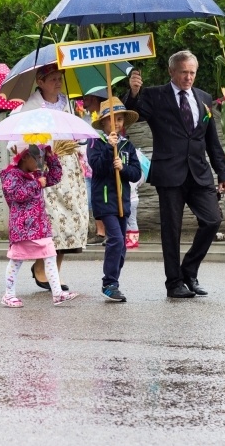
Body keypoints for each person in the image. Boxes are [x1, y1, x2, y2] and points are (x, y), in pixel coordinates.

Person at [125, 50, 225, 298]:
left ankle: (188, 272)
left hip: (199, 173)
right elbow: (132, 112)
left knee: (213, 220)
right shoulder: (155, 95)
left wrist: (222, 173)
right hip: (169, 173)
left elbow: (212, 140)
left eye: (192, 72)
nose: (188, 77)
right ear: (172, 72)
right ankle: (174, 283)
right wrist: (134, 91)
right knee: (171, 231)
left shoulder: (204, 98)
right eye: (184, 72)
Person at [13, 64, 89, 290]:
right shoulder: (31, 108)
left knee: (69, 220)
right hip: (45, 166)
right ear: (40, 81)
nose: (58, 82)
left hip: (69, 167)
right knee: (51, 220)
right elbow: (20, 141)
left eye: (60, 78)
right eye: (53, 78)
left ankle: (55, 269)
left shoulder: (69, 105)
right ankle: (41, 267)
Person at [0, 145, 79, 307]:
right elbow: (16, 194)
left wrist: (51, 156)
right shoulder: (11, 175)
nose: (39, 162)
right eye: (36, 158)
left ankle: (57, 294)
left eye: (41, 158)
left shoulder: (36, 175)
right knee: (16, 260)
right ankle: (8, 294)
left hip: (40, 226)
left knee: (50, 255)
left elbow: (55, 177)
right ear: (24, 157)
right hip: (22, 228)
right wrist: (36, 184)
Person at [88, 97, 141, 302]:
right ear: (103, 123)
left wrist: (123, 168)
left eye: (120, 119)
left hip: (122, 201)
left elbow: (135, 173)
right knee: (116, 240)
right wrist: (110, 149)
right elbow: (97, 167)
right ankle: (109, 283)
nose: (117, 123)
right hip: (105, 201)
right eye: (112, 119)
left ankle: (114, 281)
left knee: (122, 245)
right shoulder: (95, 143)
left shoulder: (128, 145)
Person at [80, 91, 107, 245]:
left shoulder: (104, 118)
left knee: (104, 199)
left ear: (95, 98)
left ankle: (110, 231)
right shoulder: (84, 119)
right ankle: (100, 232)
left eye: (86, 97)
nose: (83, 100)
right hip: (86, 166)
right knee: (92, 200)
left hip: (101, 165)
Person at [126, 149, 149, 249]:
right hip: (134, 199)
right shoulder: (139, 174)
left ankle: (133, 240)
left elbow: (129, 187)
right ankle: (130, 239)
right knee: (130, 221)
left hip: (130, 200)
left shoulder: (133, 175)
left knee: (130, 221)